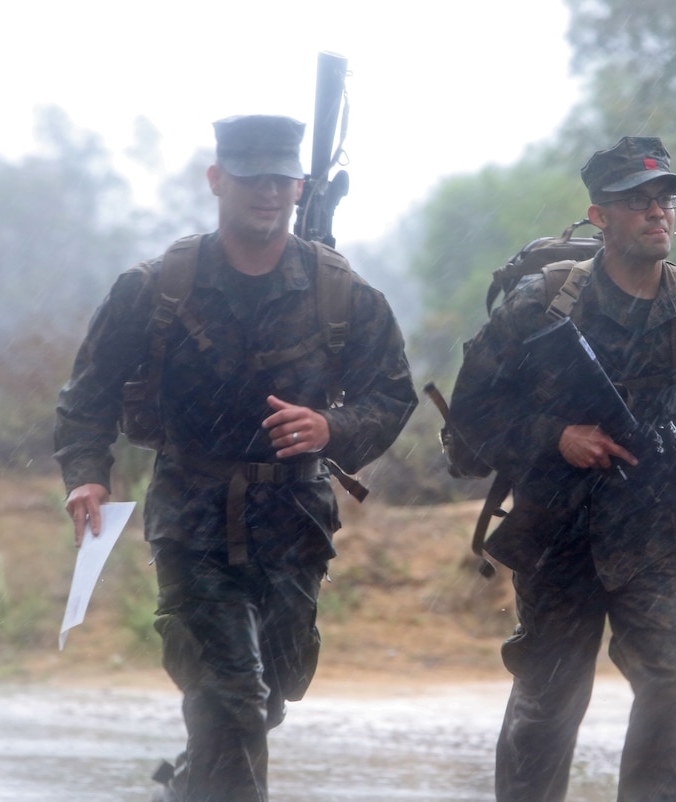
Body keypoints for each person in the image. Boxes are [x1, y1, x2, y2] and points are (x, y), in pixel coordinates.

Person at [54, 114, 418, 802]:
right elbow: (87, 398)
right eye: (252, 179)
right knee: (232, 691)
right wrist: (88, 477)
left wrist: (330, 430)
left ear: (299, 185)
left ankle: (192, 784)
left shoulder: (339, 292)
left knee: (271, 690)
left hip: (294, 522)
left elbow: (391, 395)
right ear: (218, 181)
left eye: (281, 179)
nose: (268, 193)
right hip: (192, 517)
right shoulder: (158, 287)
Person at [450, 136, 676, 802]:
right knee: (548, 701)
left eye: (664, 199)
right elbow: (471, 413)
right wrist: (556, 436)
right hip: (559, 533)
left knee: (672, 678)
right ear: (599, 215)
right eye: (636, 202)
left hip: (651, 533)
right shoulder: (541, 304)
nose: (656, 213)